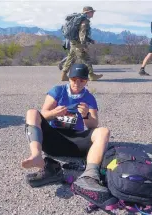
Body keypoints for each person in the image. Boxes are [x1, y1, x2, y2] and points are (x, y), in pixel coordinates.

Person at [21, 63, 115, 207]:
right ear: (69, 79)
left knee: (104, 131)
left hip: (76, 141)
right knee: (31, 112)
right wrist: (53, 113)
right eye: (74, 79)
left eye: (81, 80)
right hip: (54, 139)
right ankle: (36, 156)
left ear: (87, 81)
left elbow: (93, 125)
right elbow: (42, 115)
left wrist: (85, 115)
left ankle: (90, 175)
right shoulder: (57, 91)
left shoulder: (89, 98)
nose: (77, 83)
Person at [61, 6, 103, 81]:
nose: (93, 13)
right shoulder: (84, 21)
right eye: (92, 12)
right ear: (88, 12)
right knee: (86, 58)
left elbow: (80, 34)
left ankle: (63, 75)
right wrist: (83, 45)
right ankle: (92, 75)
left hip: (73, 42)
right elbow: (82, 34)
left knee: (70, 58)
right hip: (78, 43)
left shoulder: (79, 20)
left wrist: (91, 40)